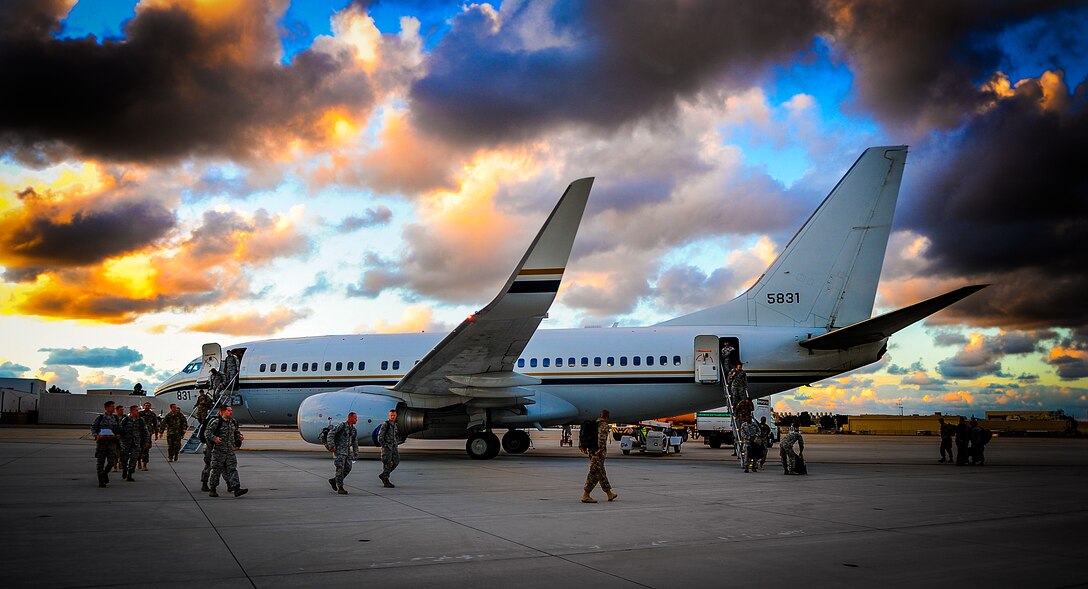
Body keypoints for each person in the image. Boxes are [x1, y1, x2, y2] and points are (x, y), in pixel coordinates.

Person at [205, 406, 248, 497]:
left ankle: (236, 488)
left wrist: (239, 436)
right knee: (216, 470)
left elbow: (235, 432)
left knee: (232, 469)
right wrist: (215, 438)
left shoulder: (232, 422)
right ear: (222, 411)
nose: (231, 412)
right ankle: (213, 489)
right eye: (229, 410)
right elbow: (208, 433)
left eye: (231, 410)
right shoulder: (216, 422)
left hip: (230, 451)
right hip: (218, 451)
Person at [581, 409, 618, 503]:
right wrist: (600, 449)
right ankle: (586, 495)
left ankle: (609, 493)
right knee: (595, 472)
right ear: (607, 417)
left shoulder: (594, 423)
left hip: (592, 450)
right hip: (598, 452)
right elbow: (601, 438)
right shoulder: (603, 425)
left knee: (601, 472)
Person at [325, 412, 359, 494]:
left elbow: (355, 441)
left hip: (347, 452)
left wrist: (356, 452)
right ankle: (340, 487)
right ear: (350, 418)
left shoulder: (353, 430)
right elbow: (330, 434)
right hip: (339, 452)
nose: (356, 420)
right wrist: (332, 446)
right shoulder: (342, 426)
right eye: (355, 418)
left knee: (348, 468)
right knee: (340, 469)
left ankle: (334, 480)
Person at [91, 401, 122, 487]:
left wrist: (119, 435)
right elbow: (93, 427)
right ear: (107, 408)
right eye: (112, 407)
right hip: (102, 443)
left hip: (112, 443)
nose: (113, 408)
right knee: (100, 462)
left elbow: (119, 428)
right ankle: (101, 480)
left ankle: (105, 473)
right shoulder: (100, 418)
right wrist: (96, 435)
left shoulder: (115, 418)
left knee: (112, 461)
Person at [119, 405, 149, 482]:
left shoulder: (140, 420)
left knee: (134, 458)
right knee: (124, 458)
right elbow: (120, 429)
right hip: (126, 442)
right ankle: (125, 469)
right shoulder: (125, 419)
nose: (137, 412)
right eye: (136, 410)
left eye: (137, 410)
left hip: (136, 443)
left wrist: (146, 441)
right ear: (131, 411)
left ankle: (130, 474)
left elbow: (145, 431)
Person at [377, 408, 399, 488]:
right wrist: (385, 446)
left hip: (393, 447)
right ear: (389, 416)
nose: (393, 417)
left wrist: (396, 443)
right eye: (391, 415)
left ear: (396, 415)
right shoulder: (386, 424)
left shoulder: (395, 425)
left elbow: (396, 435)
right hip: (387, 448)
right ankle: (386, 480)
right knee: (387, 464)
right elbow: (380, 437)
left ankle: (384, 475)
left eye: (394, 415)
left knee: (396, 462)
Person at [137, 402, 160, 471]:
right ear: (144, 406)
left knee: (146, 449)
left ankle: (144, 464)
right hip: (140, 433)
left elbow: (155, 424)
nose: (147, 407)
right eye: (146, 405)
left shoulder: (152, 414)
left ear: (150, 407)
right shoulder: (140, 414)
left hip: (148, 434)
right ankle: (138, 461)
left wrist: (156, 434)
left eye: (148, 406)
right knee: (139, 449)